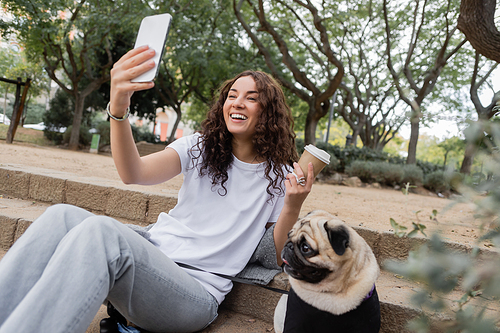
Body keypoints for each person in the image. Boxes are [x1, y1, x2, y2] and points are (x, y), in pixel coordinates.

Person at [0, 46, 314, 333]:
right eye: (232, 95)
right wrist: (119, 109)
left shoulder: (280, 175)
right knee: (60, 216)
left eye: (251, 97)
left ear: (268, 111)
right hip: (151, 259)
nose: (237, 102)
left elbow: (274, 256)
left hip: (193, 294)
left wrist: (292, 206)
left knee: (102, 231)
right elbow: (133, 172)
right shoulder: (199, 147)